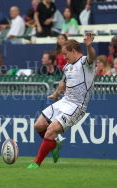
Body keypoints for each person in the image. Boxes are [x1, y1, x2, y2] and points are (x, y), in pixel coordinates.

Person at [28, 33, 96, 168]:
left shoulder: (85, 63)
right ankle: (54, 144)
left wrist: (89, 46)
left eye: (65, 54)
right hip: (65, 101)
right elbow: (63, 83)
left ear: (74, 51)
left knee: (50, 131)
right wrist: (56, 94)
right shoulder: (67, 67)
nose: (63, 57)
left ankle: (37, 163)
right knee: (39, 125)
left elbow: (92, 56)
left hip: (76, 106)